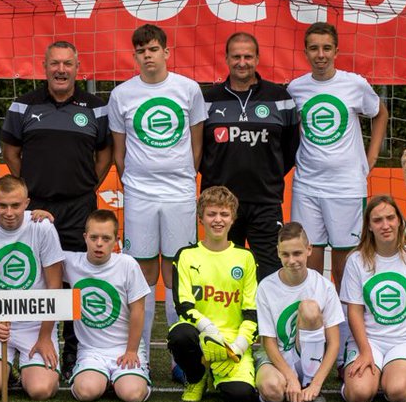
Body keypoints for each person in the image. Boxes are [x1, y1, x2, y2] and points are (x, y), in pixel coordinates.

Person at [0, 40, 112, 379]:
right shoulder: (23, 106)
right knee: (35, 277)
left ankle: (74, 350)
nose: (61, 70)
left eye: (67, 64)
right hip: (36, 207)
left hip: (79, 206)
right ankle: (27, 345)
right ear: (44, 67)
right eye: (54, 64)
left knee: (75, 279)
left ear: (78, 68)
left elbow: (105, 153)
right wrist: (28, 187)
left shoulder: (96, 107)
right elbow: (11, 150)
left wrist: (89, 184)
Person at [288, 21, 388, 370]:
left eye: (326, 48)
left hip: (347, 188)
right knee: (308, 267)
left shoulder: (354, 85)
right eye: (313, 48)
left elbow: (379, 114)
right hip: (307, 187)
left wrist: (371, 157)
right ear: (305, 52)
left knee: (347, 270)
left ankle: (347, 344)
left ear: (336, 51)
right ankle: (312, 344)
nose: (320, 55)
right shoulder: (295, 88)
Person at [107, 24, 207, 357]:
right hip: (140, 194)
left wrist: (181, 175)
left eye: (153, 49)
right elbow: (119, 153)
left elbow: (196, 146)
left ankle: (182, 358)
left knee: (178, 271)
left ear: (166, 52)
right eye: (141, 51)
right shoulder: (122, 94)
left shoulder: (188, 89)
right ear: (134, 55)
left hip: (179, 192)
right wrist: (136, 180)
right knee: (143, 271)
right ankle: (142, 354)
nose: (147, 56)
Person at [199, 32, 299, 281]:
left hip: (265, 201)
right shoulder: (206, 99)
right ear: (226, 58)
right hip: (220, 205)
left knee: (270, 272)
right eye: (236, 56)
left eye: (247, 56)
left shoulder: (280, 98)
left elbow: (290, 149)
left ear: (257, 58)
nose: (241, 62)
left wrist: (268, 174)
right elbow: (197, 149)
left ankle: (263, 321)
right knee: (221, 272)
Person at [0, 174, 65, 401]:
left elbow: (55, 287)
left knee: (40, 390)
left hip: (36, 323)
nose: (9, 212)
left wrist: (45, 335)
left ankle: (33, 371)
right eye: (2, 205)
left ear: (27, 203)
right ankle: (5, 370)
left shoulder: (42, 228)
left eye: (15, 205)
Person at [340, 195, 406, 402]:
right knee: (359, 394)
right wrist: (365, 352)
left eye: (390, 218)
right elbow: (354, 312)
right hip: (369, 341)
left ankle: (391, 375)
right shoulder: (356, 261)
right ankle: (364, 379)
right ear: (368, 226)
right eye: (377, 220)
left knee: (398, 392)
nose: (385, 225)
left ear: (399, 221)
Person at [165, 186, 258, 402]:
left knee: (240, 395)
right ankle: (196, 377)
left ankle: (221, 369)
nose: (218, 220)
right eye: (211, 214)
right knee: (179, 334)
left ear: (233, 218)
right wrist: (210, 333)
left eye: (224, 214)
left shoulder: (245, 258)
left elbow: (252, 313)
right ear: (201, 218)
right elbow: (184, 307)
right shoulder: (186, 256)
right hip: (200, 335)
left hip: (232, 342)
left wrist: (236, 347)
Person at [62, 210, 151, 402]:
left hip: (125, 349)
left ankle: (124, 377)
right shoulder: (70, 262)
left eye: (106, 238)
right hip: (91, 350)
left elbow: (138, 310)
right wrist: (40, 219)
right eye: (94, 237)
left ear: (116, 240)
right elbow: (39, 250)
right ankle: (101, 378)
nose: (99, 243)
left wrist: (131, 351)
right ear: (85, 237)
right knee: (86, 392)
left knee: (133, 395)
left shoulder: (127, 264)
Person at [254, 222, 344, 402]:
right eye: (285, 254)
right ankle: (290, 386)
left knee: (310, 308)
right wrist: (289, 377)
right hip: (277, 358)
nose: (291, 260)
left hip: (309, 360)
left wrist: (317, 383)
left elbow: (334, 343)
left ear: (309, 250)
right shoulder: (266, 287)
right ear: (278, 252)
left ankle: (308, 384)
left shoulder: (324, 286)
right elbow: (268, 342)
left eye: (297, 253)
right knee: (272, 391)